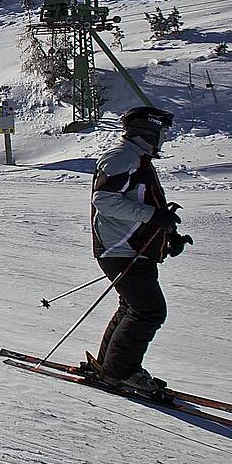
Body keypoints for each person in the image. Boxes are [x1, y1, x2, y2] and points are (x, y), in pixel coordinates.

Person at [84, 106, 189, 395]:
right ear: (149, 131)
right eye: (162, 132)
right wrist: (153, 218)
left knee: (134, 307)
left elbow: (142, 203)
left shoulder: (135, 158)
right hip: (120, 248)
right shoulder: (122, 158)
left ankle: (110, 366)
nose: (164, 138)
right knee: (149, 310)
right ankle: (122, 371)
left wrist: (167, 235)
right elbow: (104, 200)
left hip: (128, 247)